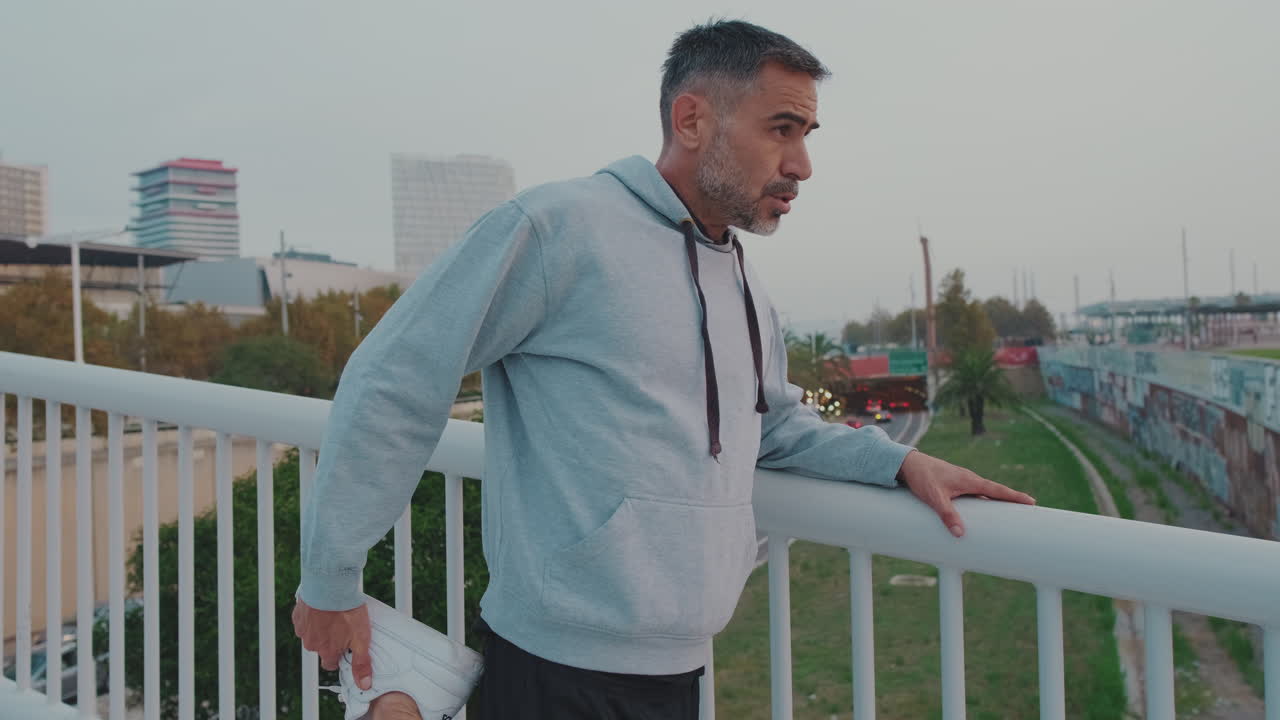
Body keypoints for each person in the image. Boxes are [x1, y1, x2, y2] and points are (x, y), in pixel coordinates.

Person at [293, 19, 1035, 720]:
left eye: (807, 135)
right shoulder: (557, 229)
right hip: (555, 671)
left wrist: (899, 464)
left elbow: (774, 428)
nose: (803, 165)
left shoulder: (745, 281)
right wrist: (331, 579)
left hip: (679, 670)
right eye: (782, 129)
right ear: (692, 121)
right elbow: (396, 381)